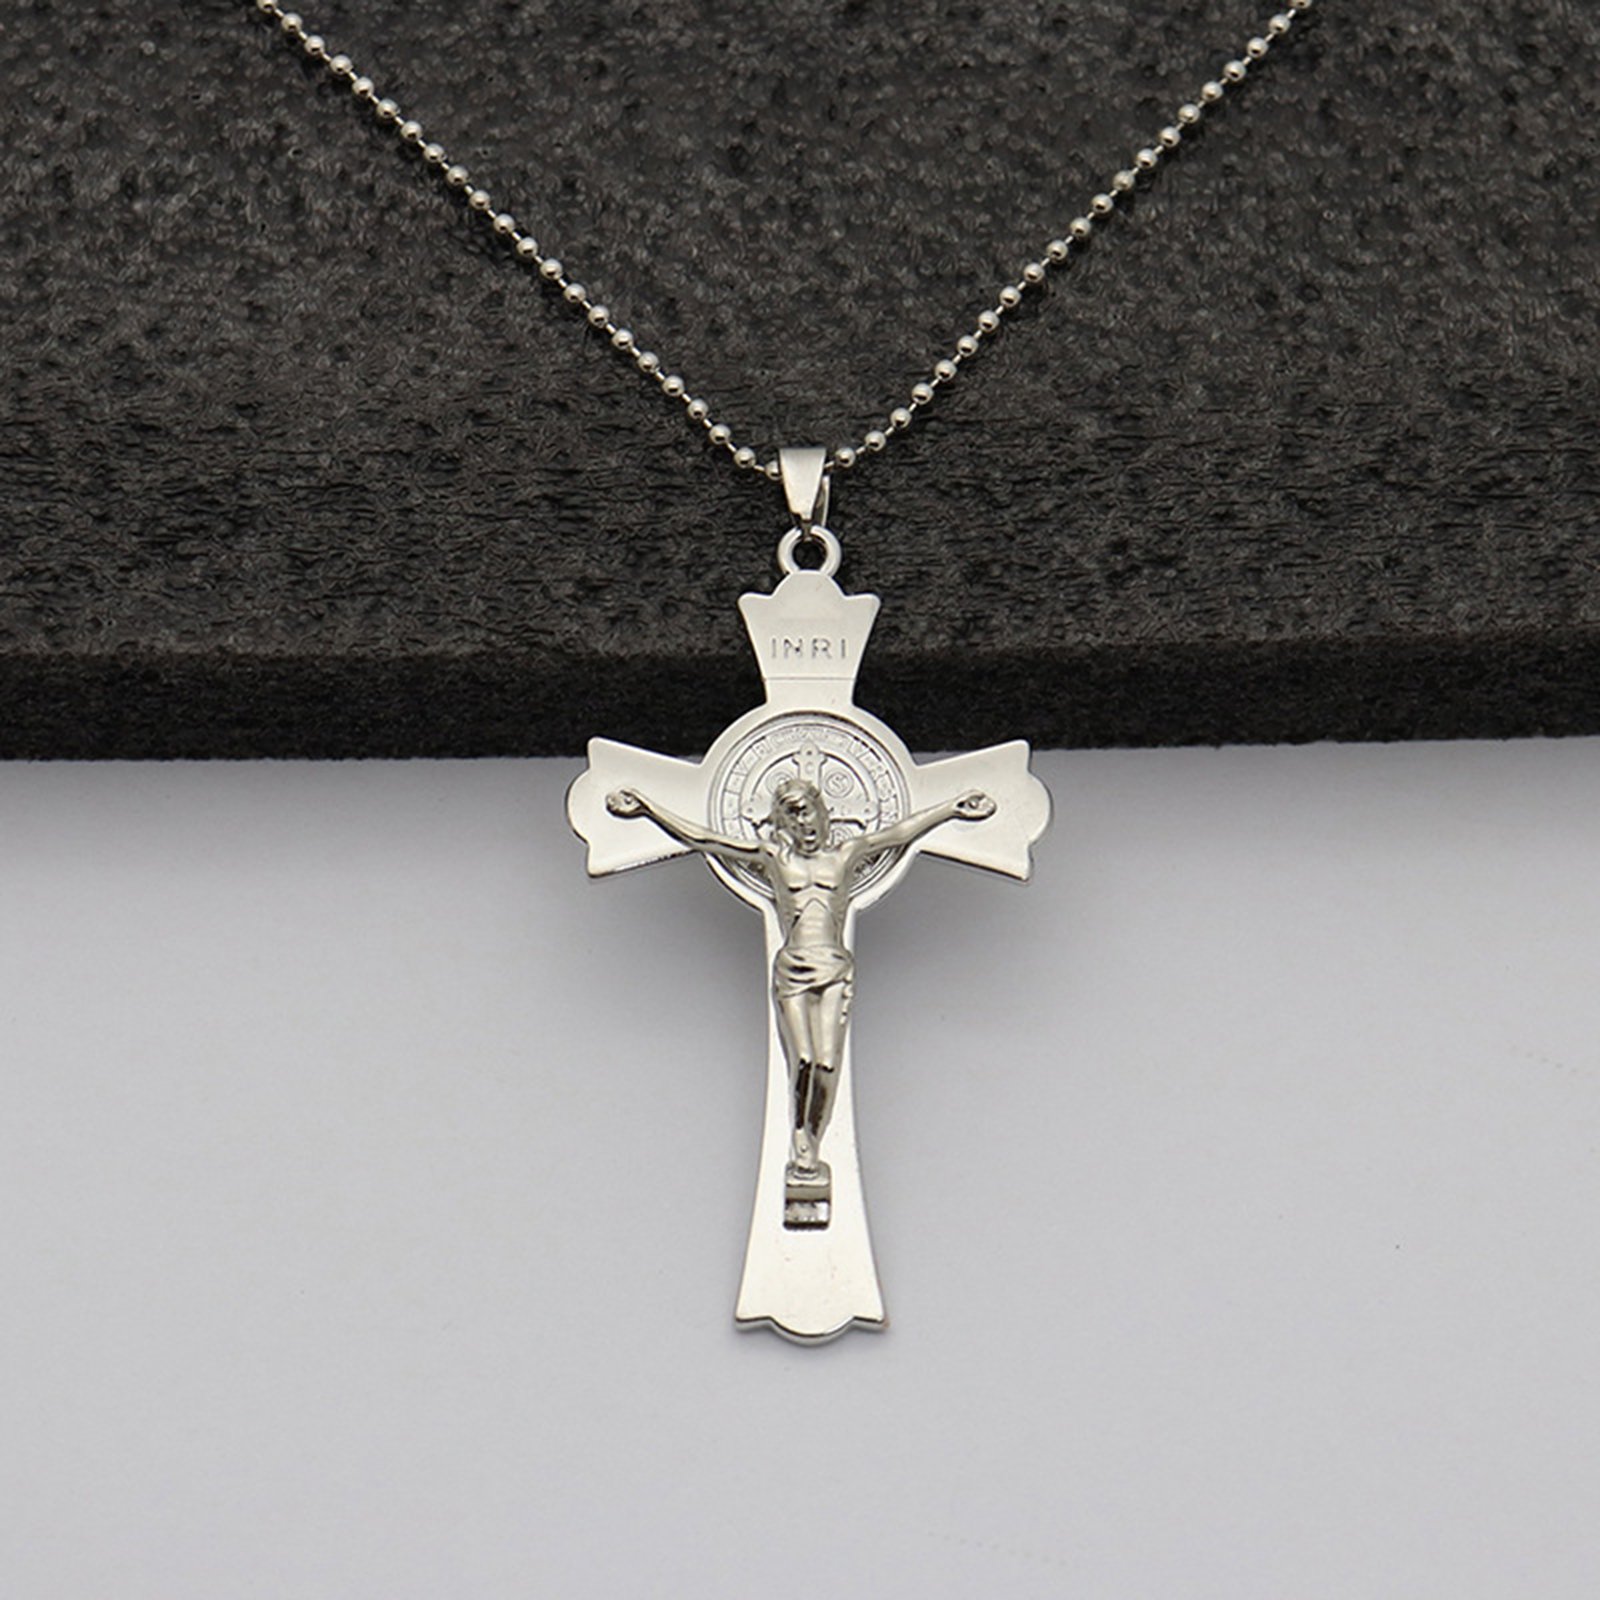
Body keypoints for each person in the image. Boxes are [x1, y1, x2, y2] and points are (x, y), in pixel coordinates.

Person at [607, 775, 995, 1223]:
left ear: (822, 812)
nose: (804, 825)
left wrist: (951, 808)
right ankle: (802, 1146)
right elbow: (705, 838)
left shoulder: (845, 854)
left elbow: (901, 833)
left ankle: (811, 1141)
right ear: (782, 825)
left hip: (834, 969)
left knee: (826, 1064)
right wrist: (648, 808)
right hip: (792, 969)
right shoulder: (775, 858)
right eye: (792, 818)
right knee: (804, 1060)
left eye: (808, 813)